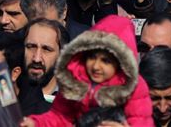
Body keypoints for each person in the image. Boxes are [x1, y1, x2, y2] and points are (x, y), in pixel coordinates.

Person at [22, 15, 152, 127]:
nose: (96, 66)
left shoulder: (133, 87)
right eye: (92, 57)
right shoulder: (75, 80)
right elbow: (60, 117)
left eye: (105, 61)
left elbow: (142, 122)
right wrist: (36, 123)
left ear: (120, 63)